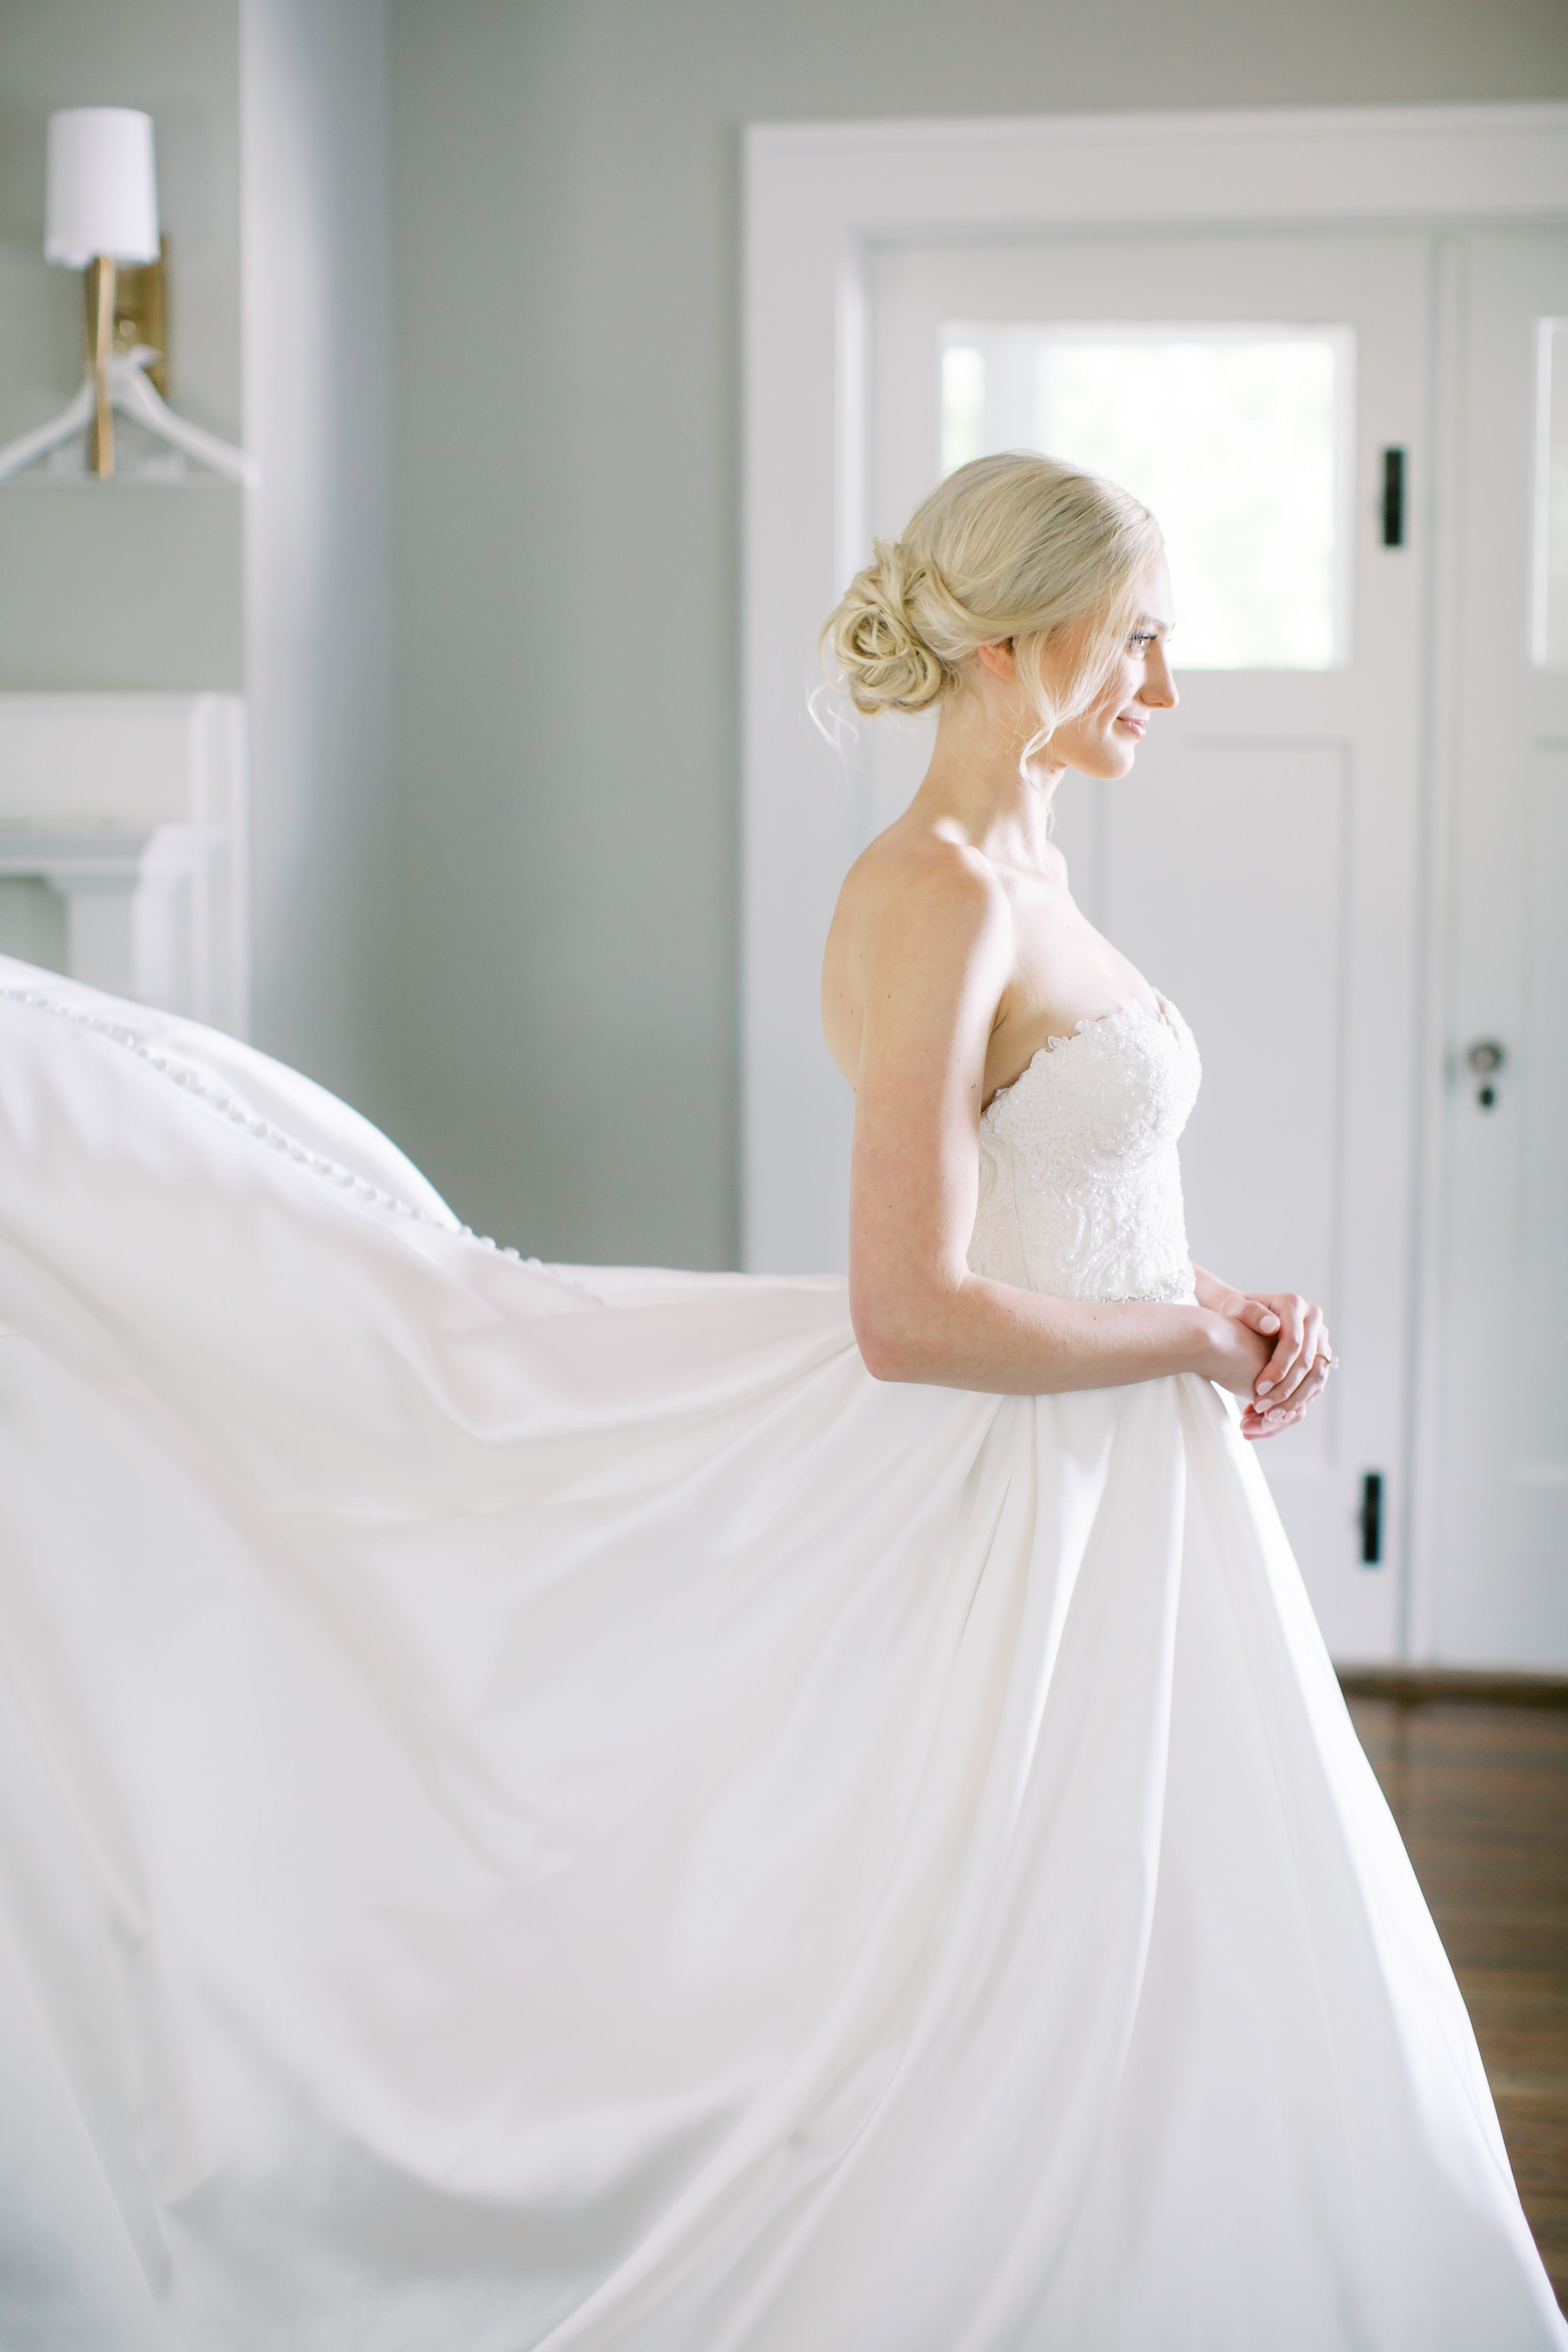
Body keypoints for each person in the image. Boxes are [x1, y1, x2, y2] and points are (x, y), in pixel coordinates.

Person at [0, 453, 1561, 2351]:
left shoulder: (1041, 869)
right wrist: (1180, 1341)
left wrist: (1204, 1299)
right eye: (1138, 635)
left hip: (1125, 1494)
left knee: (1175, 1940)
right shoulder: (930, 896)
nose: (1163, 682)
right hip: (1017, 1502)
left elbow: (1068, 1215)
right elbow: (909, 1311)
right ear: (1013, 637)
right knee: (1003, 1954)